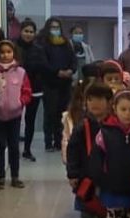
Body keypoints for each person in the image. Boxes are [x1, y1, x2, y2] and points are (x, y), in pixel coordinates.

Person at [66, 83, 115, 218]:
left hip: (108, 176)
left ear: (110, 102)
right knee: (87, 210)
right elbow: (72, 150)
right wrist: (72, 173)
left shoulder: (114, 125)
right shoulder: (83, 126)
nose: (95, 103)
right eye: (90, 99)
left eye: (100, 99)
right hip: (86, 177)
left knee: (107, 210)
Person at [0, 40, 33, 189]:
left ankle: (15, 176)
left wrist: (20, 102)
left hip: (15, 115)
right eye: (2, 52)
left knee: (14, 146)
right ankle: (0, 176)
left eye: (8, 52)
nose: (5, 55)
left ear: (14, 53)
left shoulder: (21, 72)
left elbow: (27, 91)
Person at [42, 17, 77, 153]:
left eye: (57, 27)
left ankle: (59, 141)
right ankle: (48, 142)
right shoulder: (44, 43)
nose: (55, 30)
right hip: (50, 83)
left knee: (62, 114)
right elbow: (44, 63)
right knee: (50, 113)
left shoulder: (66, 43)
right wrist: (57, 72)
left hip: (65, 84)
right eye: (53, 27)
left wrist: (70, 70)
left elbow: (73, 60)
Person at [17, 19, 48, 162]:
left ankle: (27, 149)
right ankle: (13, 149)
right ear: (21, 31)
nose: (28, 34)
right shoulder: (13, 46)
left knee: (30, 120)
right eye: (26, 31)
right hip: (15, 89)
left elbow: (43, 67)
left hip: (34, 89)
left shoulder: (39, 49)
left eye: (31, 31)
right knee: (15, 120)